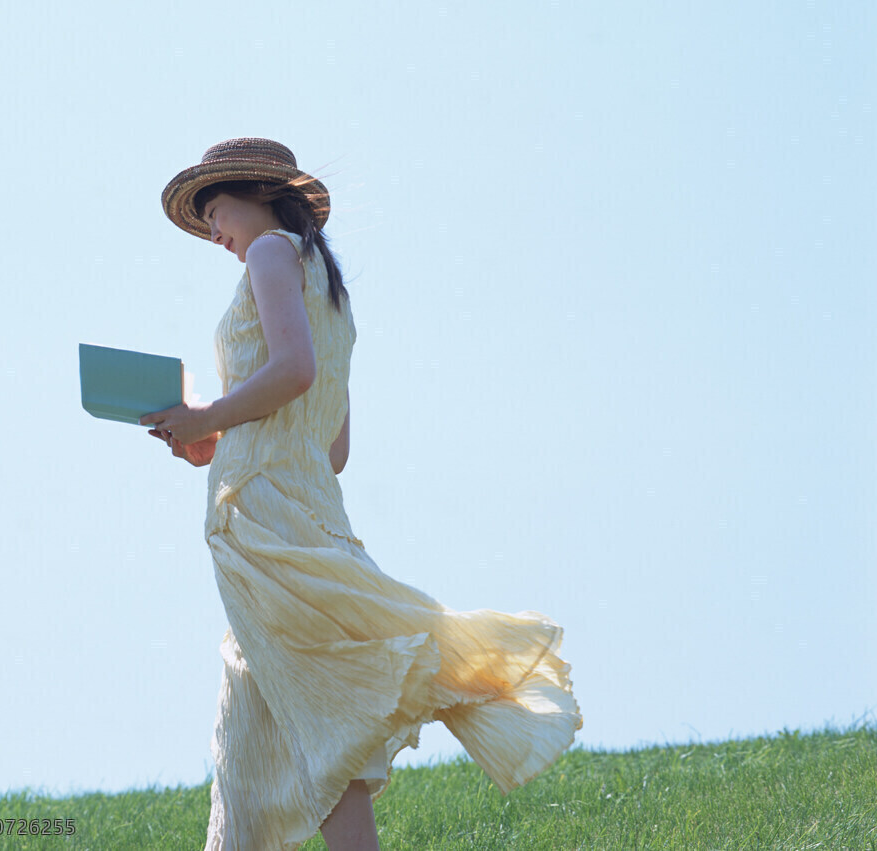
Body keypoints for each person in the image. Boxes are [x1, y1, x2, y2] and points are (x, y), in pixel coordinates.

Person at [142, 138, 581, 851]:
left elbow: (292, 370)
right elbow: (331, 447)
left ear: (255, 193)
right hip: (303, 504)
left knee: (316, 717)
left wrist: (208, 417)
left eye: (215, 210)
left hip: (260, 520)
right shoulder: (326, 285)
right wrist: (206, 441)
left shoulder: (269, 254)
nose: (214, 231)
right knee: (263, 737)